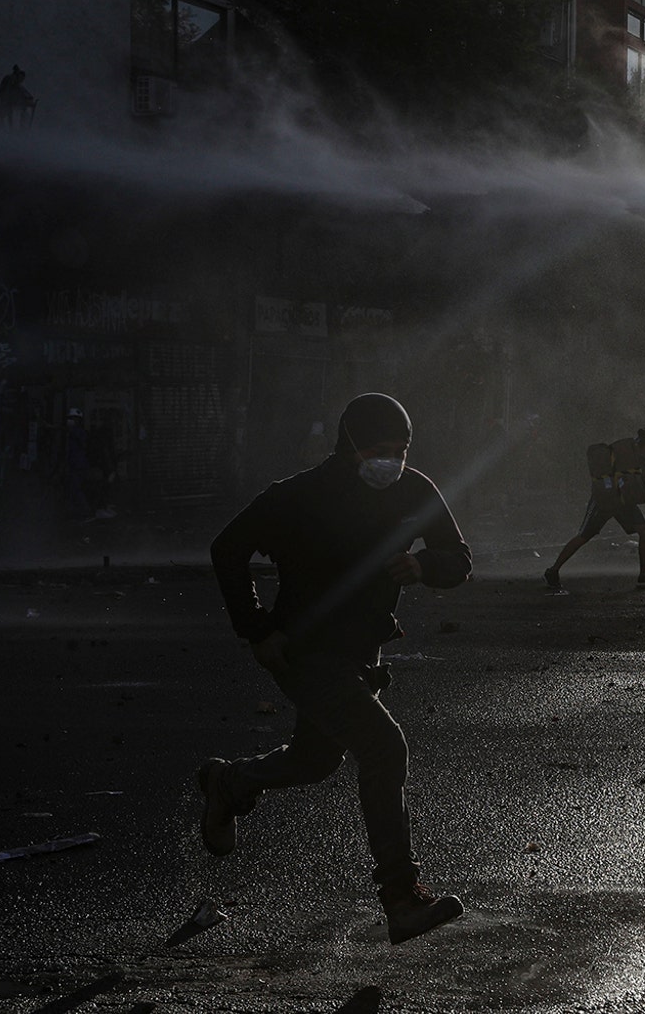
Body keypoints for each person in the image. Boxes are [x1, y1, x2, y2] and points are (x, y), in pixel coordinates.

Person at [201, 393, 472, 945]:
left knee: (315, 759)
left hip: (360, 651)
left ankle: (228, 782)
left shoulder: (413, 490)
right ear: (349, 445)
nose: (389, 461)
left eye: (399, 450)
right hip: (301, 650)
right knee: (382, 745)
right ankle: (400, 896)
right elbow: (227, 549)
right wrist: (256, 629)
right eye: (378, 450)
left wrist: (425, 564)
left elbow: (458, 557)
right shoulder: (298, 497)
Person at [545, 428, 645, 591]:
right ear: (638, 447)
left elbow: (638, 485)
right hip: (605, 500)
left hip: (624, 502)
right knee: (584, 536)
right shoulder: (621, 454)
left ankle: (643, 575)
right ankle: (553, 570)